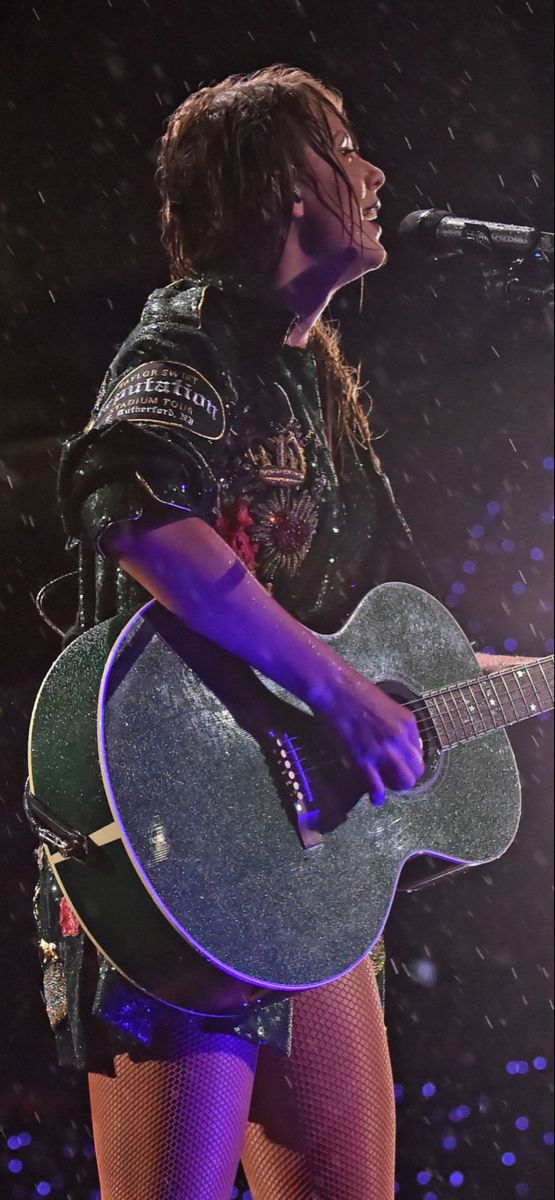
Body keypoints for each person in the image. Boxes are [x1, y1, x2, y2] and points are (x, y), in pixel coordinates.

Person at [30, 64, 525, 1200]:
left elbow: (411, 658)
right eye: (341, 144)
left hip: (306, 874)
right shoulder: (192, 337)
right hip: (177, 850)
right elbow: (133, 510)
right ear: (273, 185)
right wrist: (343, 699)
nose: (374, 169)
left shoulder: (323, 385)